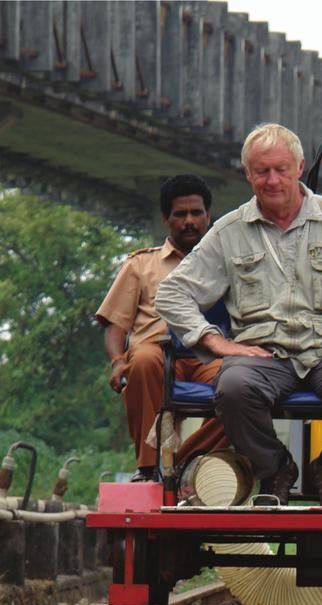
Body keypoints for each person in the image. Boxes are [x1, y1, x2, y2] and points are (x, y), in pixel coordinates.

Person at [155, 123, 322, 505]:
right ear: (248, 175)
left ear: (300, 167)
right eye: (262, 171)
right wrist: (214, 341)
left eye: (281, 169)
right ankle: (275, 469)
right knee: (233, 388)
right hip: (263, 355)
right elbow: (172, 292)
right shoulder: (229, 231)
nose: (272, 180)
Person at [96, 174, 224, 482]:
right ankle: (150, 467)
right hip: (156, 353)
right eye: (180, 214)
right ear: (167, 219)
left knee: (247, 386)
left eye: (196, 213)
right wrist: (117, 361)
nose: (189, 221)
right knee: (140, 361)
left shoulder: (227, 264)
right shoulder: (140, 265)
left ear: (208, 216)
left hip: (210, 356)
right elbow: (115, 326)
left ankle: (182, 465)